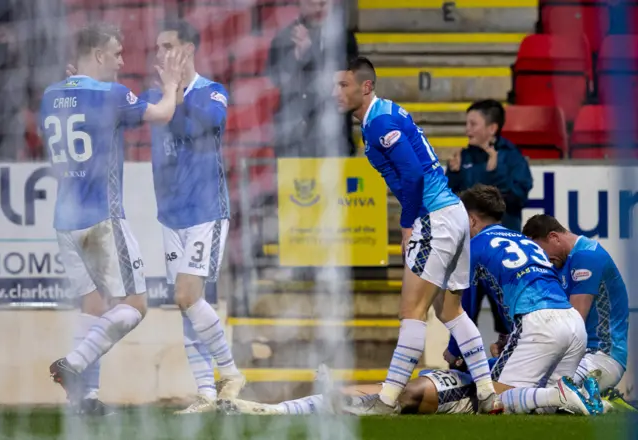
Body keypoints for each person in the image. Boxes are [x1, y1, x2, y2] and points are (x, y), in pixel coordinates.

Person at [66, 19, 246, 414]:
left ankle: (231, 372)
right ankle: (205, 392)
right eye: (159, 47)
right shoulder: (152, 95)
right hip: (170, 217)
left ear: (188, 51)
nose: (160, 54)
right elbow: (111, 117)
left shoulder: (213, 93)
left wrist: (176, 92)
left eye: (168, 47)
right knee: (186, 304)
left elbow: (204, 125)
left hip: (205, 214)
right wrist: (83, 84)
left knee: (187, 295)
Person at [333, 56, 501, 415]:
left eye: (343, 85)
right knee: (451, 310)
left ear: (365, 86)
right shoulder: (385, 114)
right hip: (453, 213)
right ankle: (487, 393)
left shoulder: (379, 122)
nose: (336, 92)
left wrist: (407, 221)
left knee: (411, 311)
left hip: (433, 217)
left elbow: (412, 176)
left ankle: (387, 399)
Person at [40, 22, 185, 412]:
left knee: (92, 310)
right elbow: (163, 115)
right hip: (103, 217)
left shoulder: (50, 95)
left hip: (64, 222)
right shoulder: (112, 94)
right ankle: (73, 364)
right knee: (136, 305)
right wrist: (171, 86)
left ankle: (86, 398)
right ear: (99, 55)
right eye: (117, 53)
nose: (122, 61)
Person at [457, 184, 601, 415]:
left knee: (494, 398)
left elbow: (465, 306)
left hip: (539, 322)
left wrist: (455, 350)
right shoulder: (523, 239)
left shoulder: (473, 247)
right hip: (572, 321)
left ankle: (572, 393)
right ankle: (583, 396)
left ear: (472, 220)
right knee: (546, 409)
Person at [522, 215, 629, 395]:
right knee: (518, 382)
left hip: (602, 355)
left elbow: (574, 325)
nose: (543, 259)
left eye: (541, 251)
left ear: (554, 237)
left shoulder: (586, 256)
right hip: (575, 354)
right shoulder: (558, 262)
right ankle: (600, 398)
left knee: (551, 394)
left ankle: (605, 400)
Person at [217, 363, 495, 416]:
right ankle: (272, 410)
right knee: (381, 390)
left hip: (470, 386)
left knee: (406, 393)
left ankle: (273, 411)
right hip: (465, 373)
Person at [267, 0, 358, 157]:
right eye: (312, 2)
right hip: (294, 145)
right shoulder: (284, 38)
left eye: (324, 2)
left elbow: (345, 85)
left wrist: (310, 54)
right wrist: (296, 59)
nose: (319, 6)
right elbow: (274, 81)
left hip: (335, 143)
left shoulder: (344, 39)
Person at [446, 100, 532, 233]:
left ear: (492, 128)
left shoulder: (513, 157)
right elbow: (450, 203)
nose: (467, 129)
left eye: (473, 124)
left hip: (503, 239)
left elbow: (518, 199)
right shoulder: (462, 157)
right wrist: (453, 175)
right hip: (468, 240)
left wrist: (496, 173)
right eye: (466, 124)